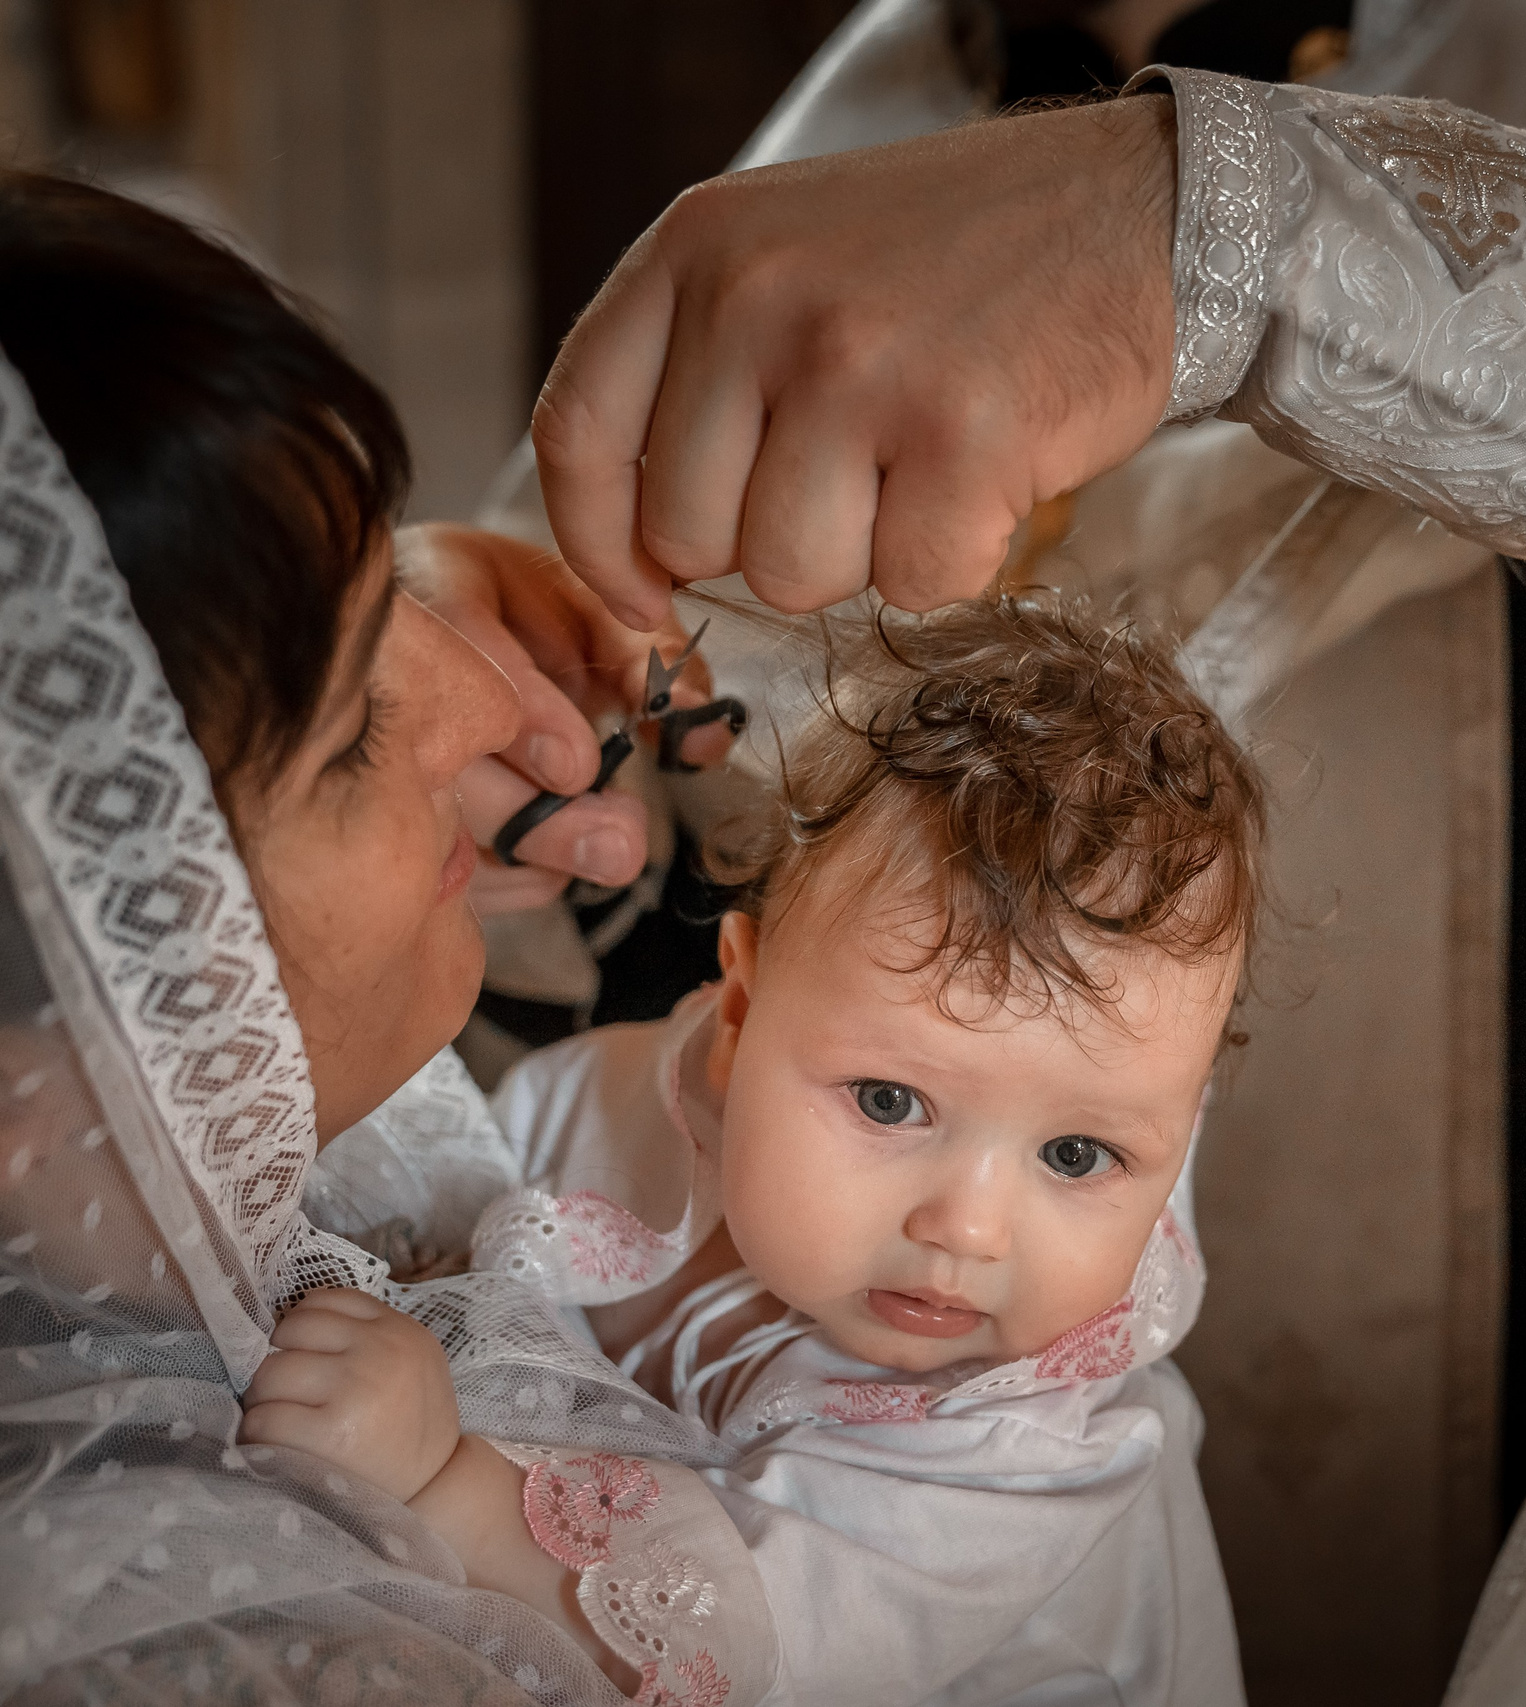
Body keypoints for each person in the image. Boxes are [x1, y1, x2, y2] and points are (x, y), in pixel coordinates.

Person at [493, 1, 1526, 1699]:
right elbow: (636, 802)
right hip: (749, 1336)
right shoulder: (900, 83)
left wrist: (1200, 231)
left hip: (1494, 1326)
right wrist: (483, 682)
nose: (970, 1215)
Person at [0, 107, 776, 1704]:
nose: (484, 700)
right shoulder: (222, 1654)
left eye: (396, 579)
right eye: (346, 736)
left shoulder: (127, 1172)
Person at [469, 595, 1253, 1702]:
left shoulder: (1024, 1451)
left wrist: (441, 1478)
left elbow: (741, 1657)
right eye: (890, 1101)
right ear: (737, 1016)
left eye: (1076, 1156)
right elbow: (467, 1193)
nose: (967, 1229)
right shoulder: (611, 1105)